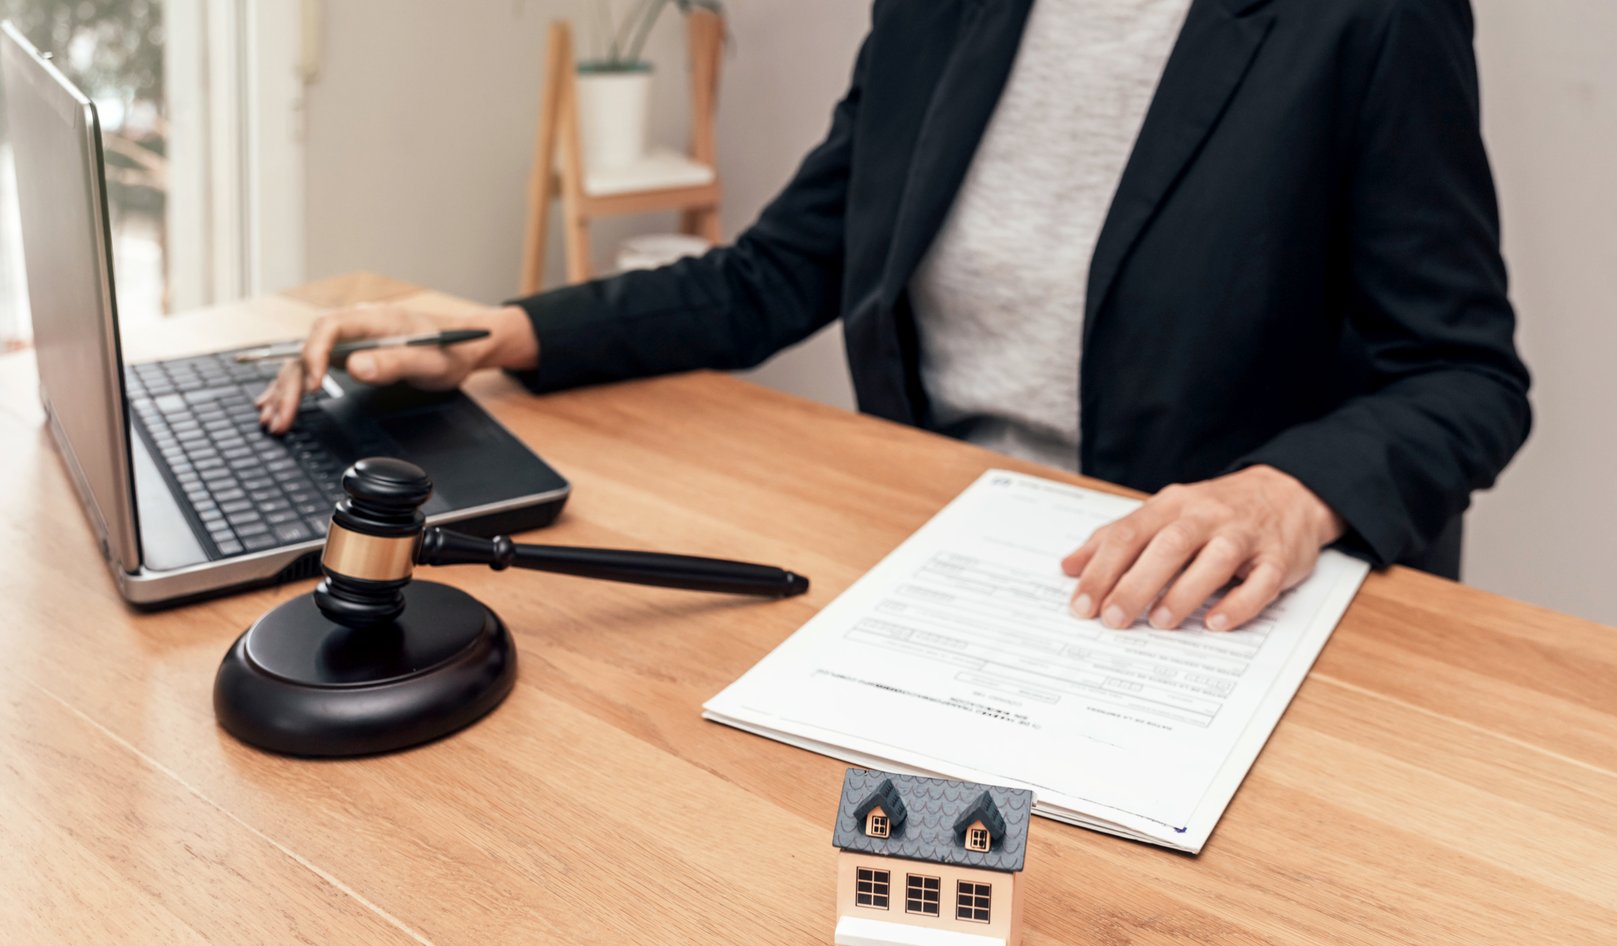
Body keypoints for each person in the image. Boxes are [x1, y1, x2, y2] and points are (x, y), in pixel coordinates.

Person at [260, 0, 1530, 633]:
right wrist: (502, 332)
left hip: (1198, 611)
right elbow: (781, 269)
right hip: (952, 574)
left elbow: (1465, 376)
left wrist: (1285, 494)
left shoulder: (1368, 18)